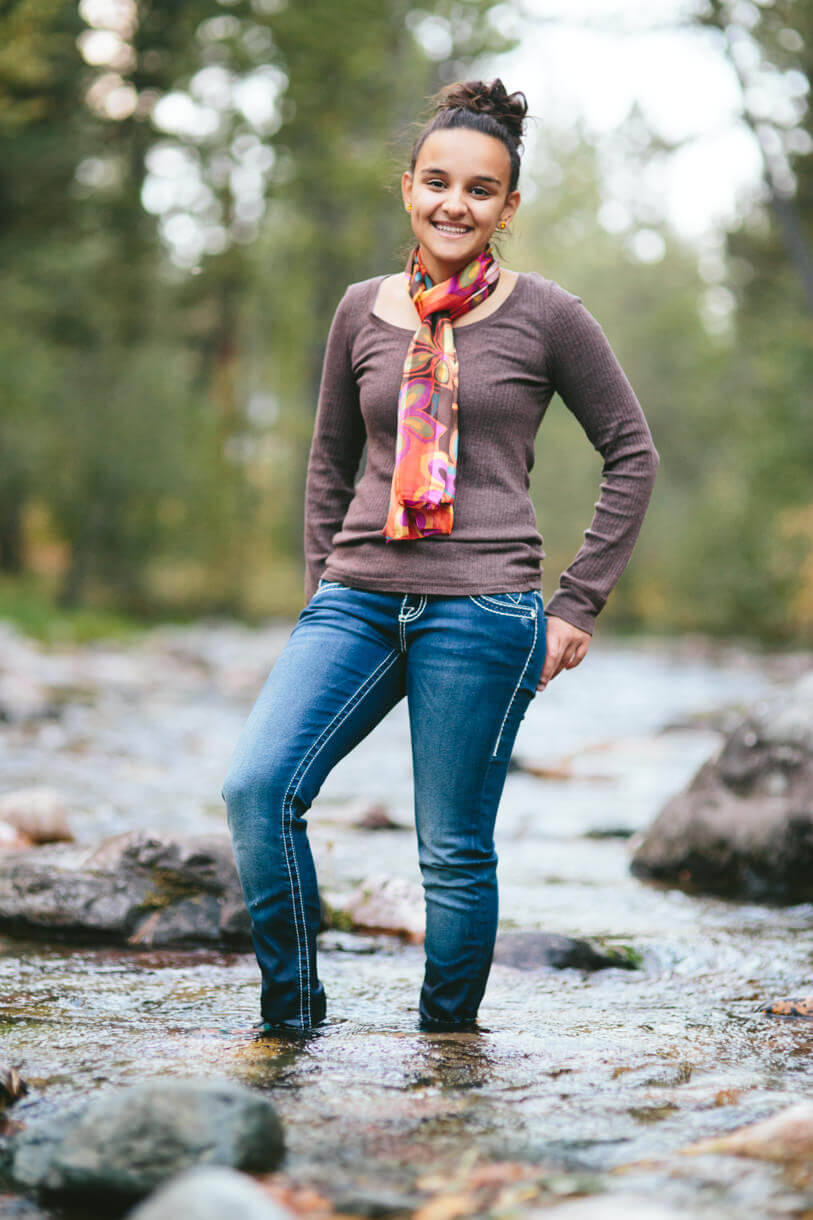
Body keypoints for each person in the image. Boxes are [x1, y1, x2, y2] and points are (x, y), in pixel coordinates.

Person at [221, 77, 659, 1036]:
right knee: (258, 789)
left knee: (452, 849)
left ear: (507, 206)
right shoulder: (357, 310)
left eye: (478, 189)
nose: (452, 204)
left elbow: (633, 452)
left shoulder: (546, 314)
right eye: (435, 182)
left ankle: (446, 1051)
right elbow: (331, 462)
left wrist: (576, 604)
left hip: (486, 607)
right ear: (407, 189)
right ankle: (290, 1024)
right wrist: (316, 599)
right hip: (358, 597)